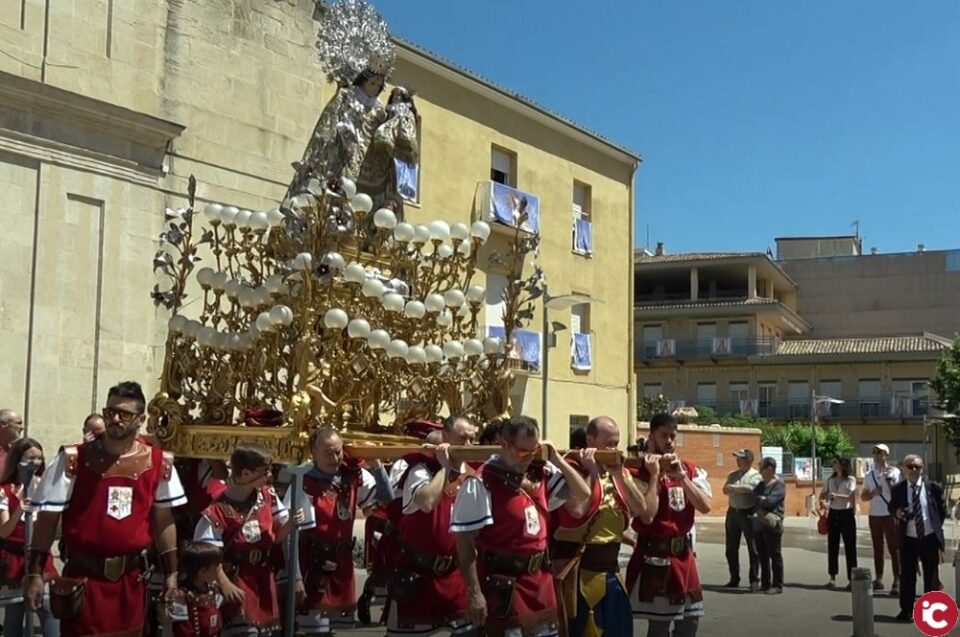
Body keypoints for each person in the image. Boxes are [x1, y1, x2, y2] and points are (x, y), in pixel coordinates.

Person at [26, 380, 187, 636]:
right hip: (83, 582)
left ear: (141, 419)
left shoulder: (159, 463)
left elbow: (163, 520)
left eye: (124, 414)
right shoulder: (73, 459)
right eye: (110, 412)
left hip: (130, 584)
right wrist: (34, 574)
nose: (115, 419)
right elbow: (47, 518)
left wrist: (171, 576)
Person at [452, 415, 592, 637]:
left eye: (533, 450)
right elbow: (464, 541)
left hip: (540, 583)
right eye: (522, 451)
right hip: (505, 587)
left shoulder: (541, 473)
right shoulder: (482, 482)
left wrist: (556, 458)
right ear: (505, 445)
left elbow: (583, 495)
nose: (528, 458)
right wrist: (474, 592)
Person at [287, 427, 394, 635]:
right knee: (315, 630)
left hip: (341, 564)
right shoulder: (303, 482)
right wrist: (296, 578)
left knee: (335, 630)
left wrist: (377, 467)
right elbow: (291, 535)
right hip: (313, 565)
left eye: (338, 451)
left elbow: (386, 499)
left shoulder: (352, 476)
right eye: (328, 452)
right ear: (313, 452)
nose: (335, 458)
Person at [386, 414, 479, 636]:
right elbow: (426, 502)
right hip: (419, 579)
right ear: (446, 438)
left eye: (472, 439)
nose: (468, 445)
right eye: (463, 438)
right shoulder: (421, 469)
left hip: (455, 579)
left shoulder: (473, 476)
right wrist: (445, 467)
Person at [194, 445, 303, 635]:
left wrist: (290, 524)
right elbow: (209, 556)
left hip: (263, 578)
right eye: (265, 471)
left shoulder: (268, 496)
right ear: (245, 473)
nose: (269, 475)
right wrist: (225, 584)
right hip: (237, 580)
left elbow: (275, 538)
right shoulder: (217, 511)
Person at [625, 413, 712, 637]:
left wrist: (682, 479)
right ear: (651, 437)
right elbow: (646, 515)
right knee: (659, 627)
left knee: (690, 624)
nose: (669, 441)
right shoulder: (637, 472)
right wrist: (655, 476)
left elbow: (705, 507)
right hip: (655, 556)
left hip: (683, 556)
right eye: (663, 435)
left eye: (673, 436)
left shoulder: (689, 470)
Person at [553, 416, 641, 637]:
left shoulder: (619, 472)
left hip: (610, 570)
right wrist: (592, 472)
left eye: (616, 443)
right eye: (608, 443)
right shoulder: (572, 470)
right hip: (579, 573)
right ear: (590, 440)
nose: (614, 449)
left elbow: (643, 511)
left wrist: (618, 474)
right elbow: (579, 510)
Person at [0, 438, 58, 636]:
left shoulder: (47, 487)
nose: (36, 464)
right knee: (15, 613)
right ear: (18, 460)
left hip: (39, 556)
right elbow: (4, 531)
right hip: (15, 558)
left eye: (39, 459)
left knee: (49, 609)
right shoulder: (5, 490)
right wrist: (19, 510)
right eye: (30, 459)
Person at [889, 454, 946, 622]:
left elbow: (941, 511)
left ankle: (930, 612)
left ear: (922, 469)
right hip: (908, 538)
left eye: (917, 467)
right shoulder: (898, 488)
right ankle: (906, 610)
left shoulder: (933, 487)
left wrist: (935, 527)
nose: (914, 470)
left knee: (931, 576)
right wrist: (898, 512)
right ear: (903, 468)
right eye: (910, 466)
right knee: (907, 576)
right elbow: (892, 506)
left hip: (928, 537)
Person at [860, 443, 901, 594]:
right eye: (875, 452)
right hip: (875, 514)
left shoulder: (895, 472)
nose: (877, 455)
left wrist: (889, 481)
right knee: (877, 548)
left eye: (880, 452)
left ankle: (897, 579)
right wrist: (873, 493)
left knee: (893, 547)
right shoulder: (869, 475)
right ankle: (879, 578)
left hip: (890, 514)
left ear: (886, 455)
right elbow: (863, 496)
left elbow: (898, 494)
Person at [722, 449, 761, 591]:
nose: (738, 461)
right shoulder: (732, 474)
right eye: (737, 458)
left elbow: (749, 489)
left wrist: (734, 488)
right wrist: (735, 488)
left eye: (741, 458)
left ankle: (754, 580)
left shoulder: (755, 475)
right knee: (731, 548)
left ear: (749, 460)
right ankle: (734, 578)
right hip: (733, 512)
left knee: (753, 548)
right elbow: (725, 489)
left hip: (748, 513)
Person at [167, 541, 224, 636]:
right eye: (216, 566)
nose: (219, 569)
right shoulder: (181, 598)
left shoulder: (214, 591)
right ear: (202, 571)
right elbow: (183, 631)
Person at [819, 458, 857, 589]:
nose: (834, 465)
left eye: (836, 463)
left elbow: (852, 497)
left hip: (846, 513)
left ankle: (852, 579)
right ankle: (832, 577)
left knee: (850, 547)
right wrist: (824, 500)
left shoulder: (850, 480)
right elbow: (822, 494)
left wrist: (836, 495)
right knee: (832, 545)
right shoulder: (829, 480)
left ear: (843, 466)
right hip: (833, 513)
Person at [752, 457, 785, 594]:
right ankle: (765, 583)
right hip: (760, 523)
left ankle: (778, 585)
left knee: (775, 554)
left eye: (762, 468)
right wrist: (761, 499)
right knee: (762, 554)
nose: (760, 471)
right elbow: (754, 497)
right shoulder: (761, 484)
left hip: (772, 524)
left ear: (769, 469)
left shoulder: (779, 485)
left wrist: (762, 499)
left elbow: (771, 502)